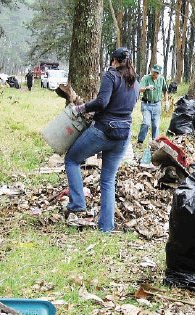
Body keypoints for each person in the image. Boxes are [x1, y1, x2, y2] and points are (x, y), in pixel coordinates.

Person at [65, 47, 139, 232]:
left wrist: (80, 108)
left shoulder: (111, 76)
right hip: (123, 135)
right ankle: (106, 227)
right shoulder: (134, 81)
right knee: (107, 180)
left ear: (114, 60)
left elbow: (101, 102)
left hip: (103, 131)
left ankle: (77, 203)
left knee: (72, 160)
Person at [137, 64, 168, 144]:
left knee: (156, 125)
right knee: (146, 123)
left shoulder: (161, 79)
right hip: (146, 104)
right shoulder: (146, 78)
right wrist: (146, 88)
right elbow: (139, 89)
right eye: (154, 72)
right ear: (151, 71)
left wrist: (166, 101)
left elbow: (165, 90)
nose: (155, 75)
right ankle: (140, 141)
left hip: (157, 105)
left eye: (157, 73)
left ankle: (155, 143)